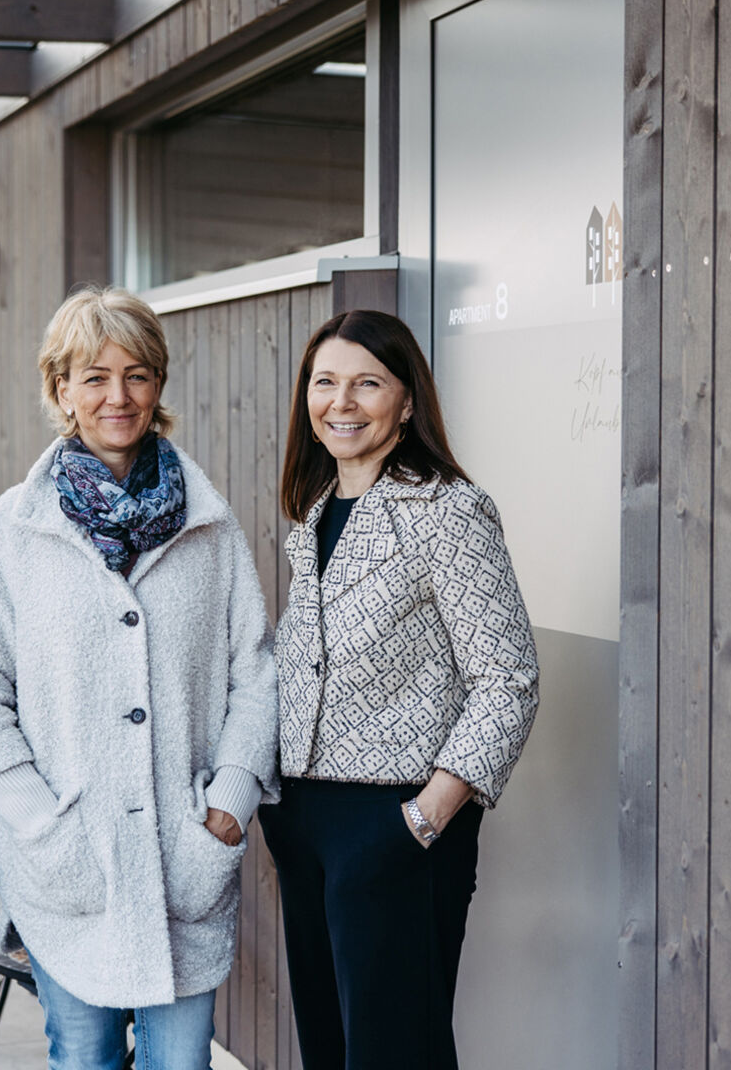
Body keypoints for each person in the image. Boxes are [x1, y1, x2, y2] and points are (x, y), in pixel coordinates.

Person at [0, 286, 277, 1070]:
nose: (115, 396)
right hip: (67, 856)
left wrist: (227, 802)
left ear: (158, 386)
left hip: (183, 856)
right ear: (60, 389)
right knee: (83, 1058)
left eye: (135, 374)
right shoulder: (17, 527)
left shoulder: (209, 525)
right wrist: (27, 809)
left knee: (181, 1062)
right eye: (92, 376)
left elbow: (253, 673)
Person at [259, 309, 539, 1070]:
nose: (340, 403)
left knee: (392, 1053)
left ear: (406, 400)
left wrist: (422, 819)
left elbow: (506, 680)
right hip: (303, 821)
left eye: (366, 384)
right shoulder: (316, 511)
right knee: (331, 1047)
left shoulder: (450, 510)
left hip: (393, 821)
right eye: (324, 383)